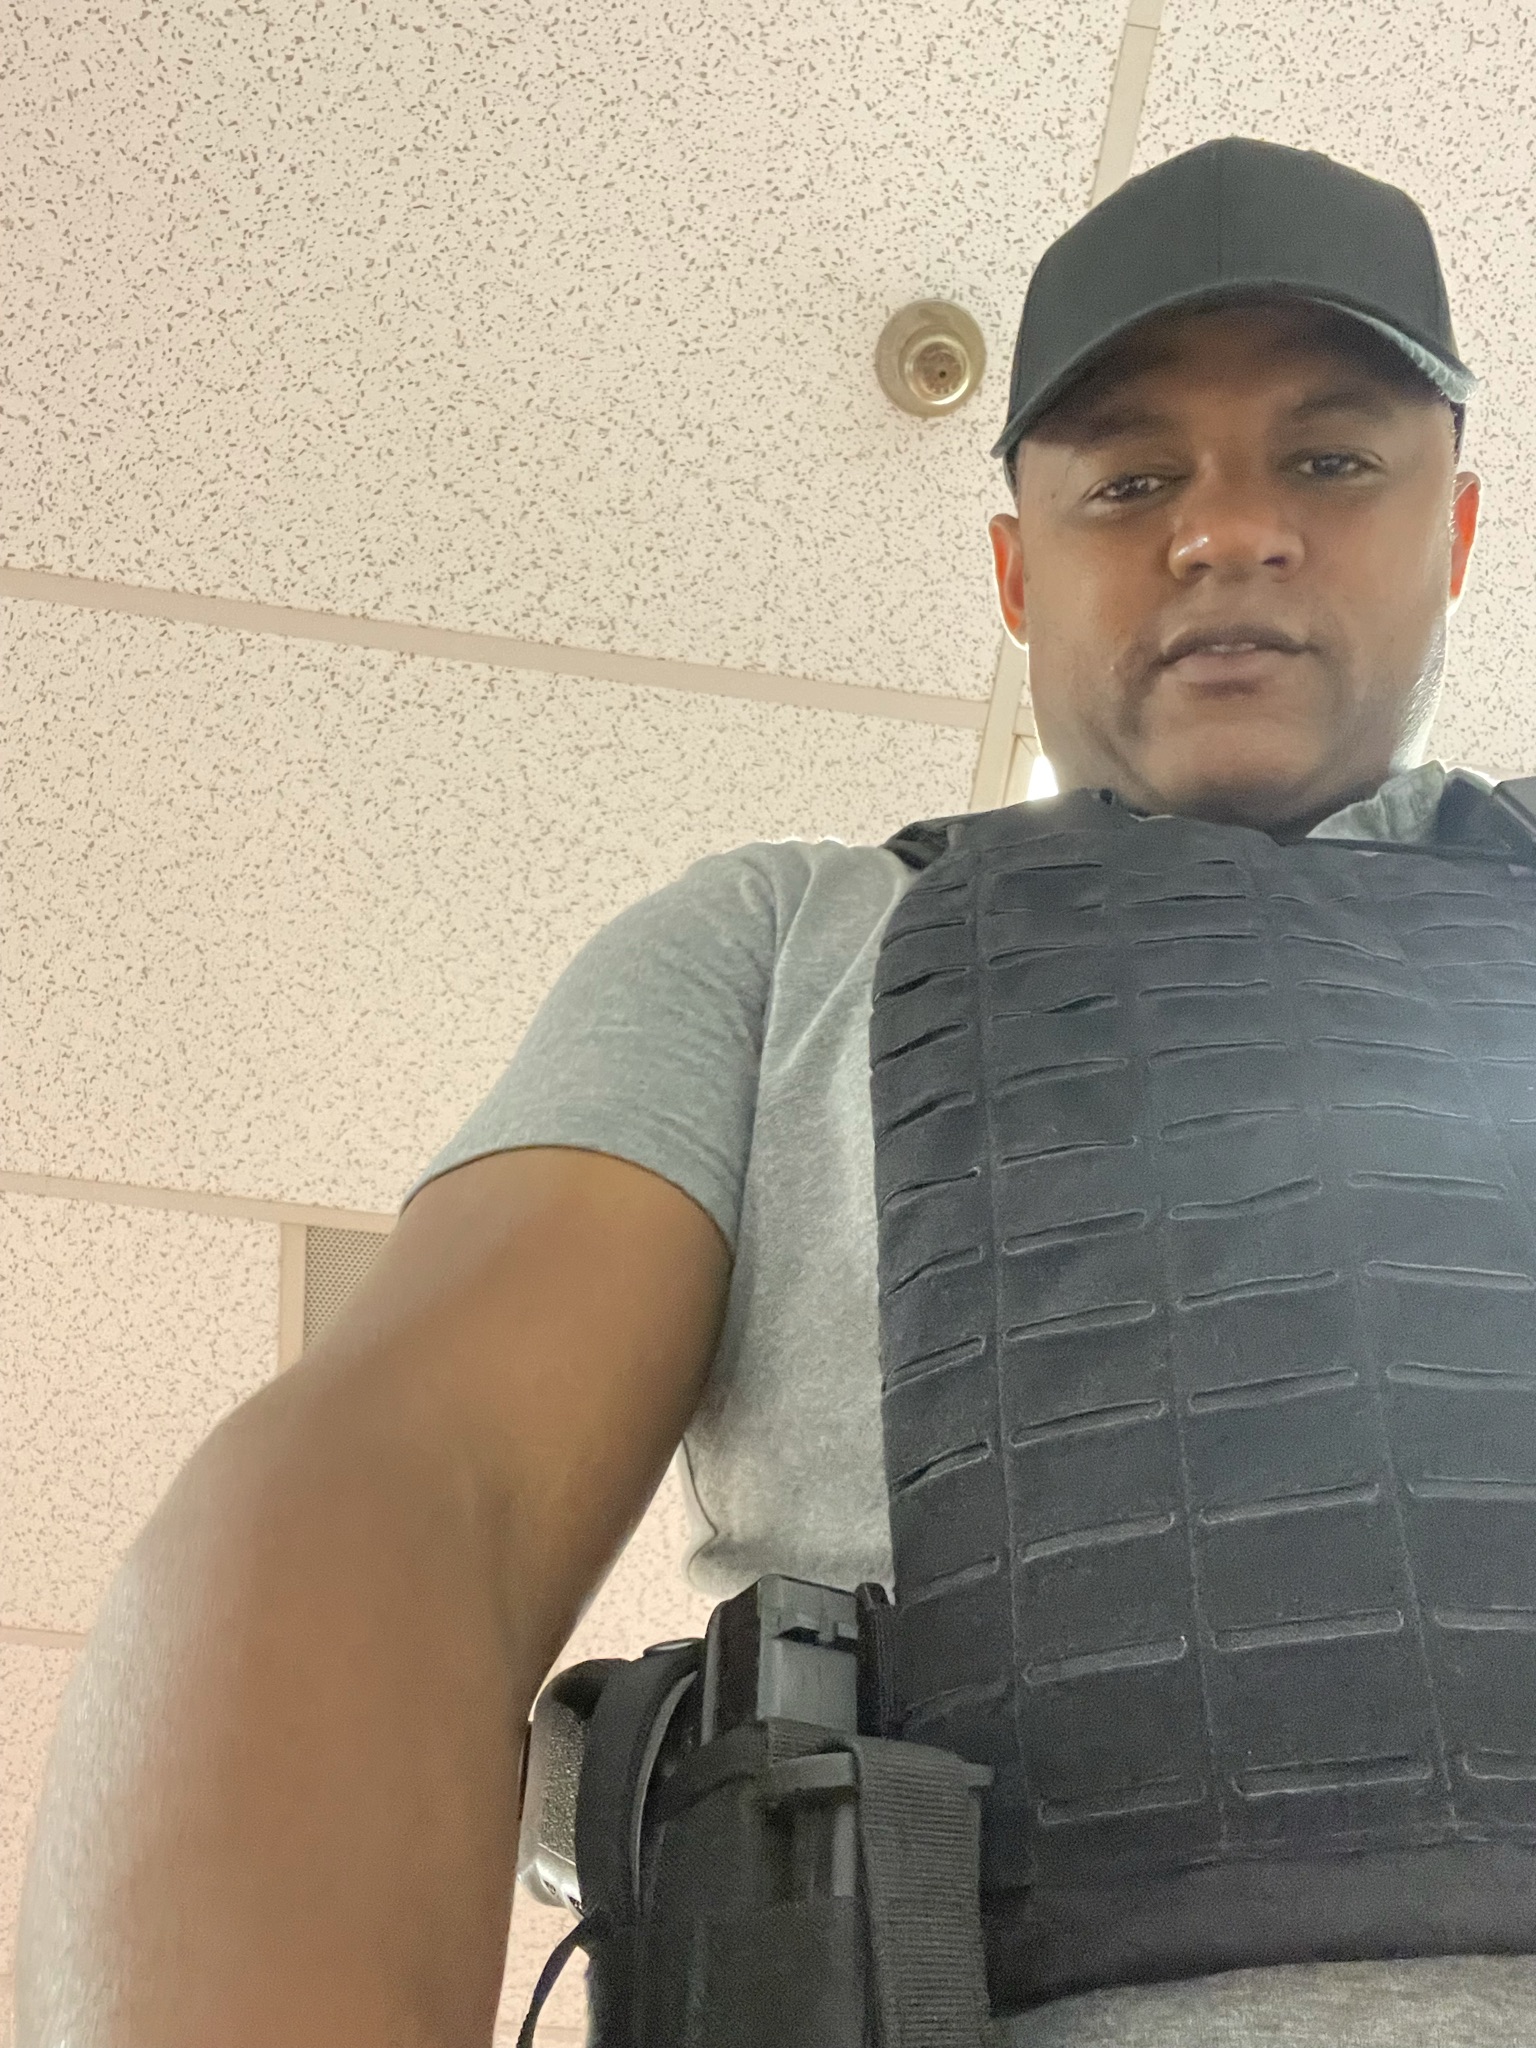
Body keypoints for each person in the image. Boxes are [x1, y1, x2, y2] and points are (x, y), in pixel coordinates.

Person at [16, 135, 1535, 2048]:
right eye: (1132, 479)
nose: (1228, 530)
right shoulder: (783, 944)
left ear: (1454, 531)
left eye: (1329, 461)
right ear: (1017, 568)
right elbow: (404, 1482)